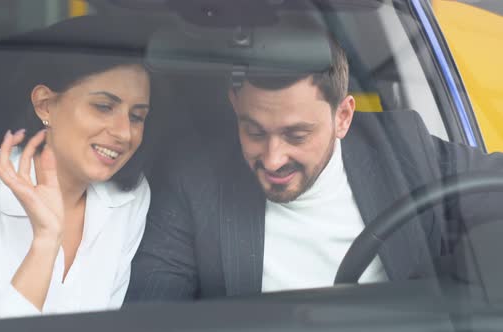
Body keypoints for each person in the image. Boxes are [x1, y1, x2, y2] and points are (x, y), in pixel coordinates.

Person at [125, 27, 503, 301]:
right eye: (254, 132)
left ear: (343, 117)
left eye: (296, 135)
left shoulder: (403, 146)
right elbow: (152, 309)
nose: (273, 158)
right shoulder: (194, 180)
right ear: (234, 104)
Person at [0, 20, 154, 323]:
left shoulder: (128, 196)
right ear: (45, 105)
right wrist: (46, 241)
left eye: (136, 116)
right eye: (104, 107)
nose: (124, 133)